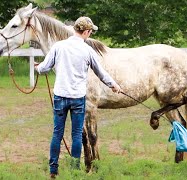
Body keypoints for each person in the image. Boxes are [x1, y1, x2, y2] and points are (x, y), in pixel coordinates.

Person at [35, 16, 122, 178]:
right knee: (76, 135)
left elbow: (44, 67)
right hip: (77, 98)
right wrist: (114, 85)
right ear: (87, 32)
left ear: (75, 29)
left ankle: (53, 170)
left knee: (57, 134)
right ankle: (75, 170)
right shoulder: (88, 50)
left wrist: (38, 68)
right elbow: (101, 73)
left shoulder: (58, 46)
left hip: (60, 96)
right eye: (90, 32)